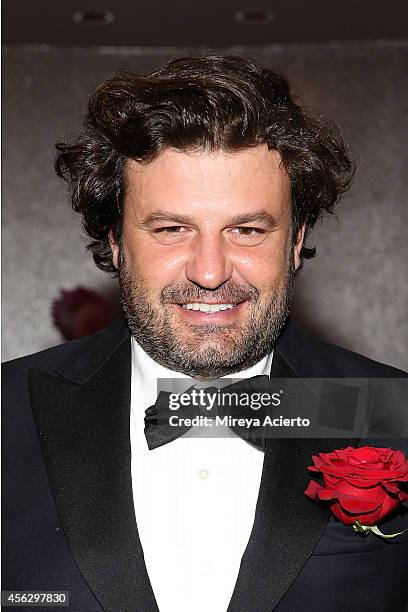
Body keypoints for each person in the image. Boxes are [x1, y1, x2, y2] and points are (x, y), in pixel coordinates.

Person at [2, 55, 407, 612]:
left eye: (247, 229)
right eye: (171, 229)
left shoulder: (394, 415)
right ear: (116, 240)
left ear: (295, 240)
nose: (210, 271)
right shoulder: (7, 414)